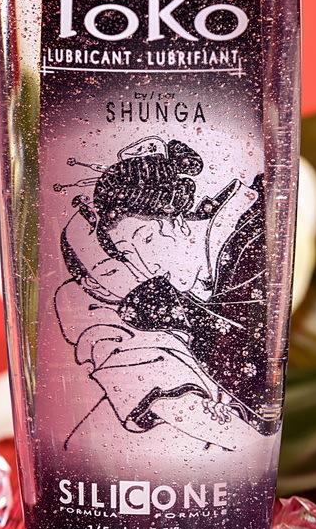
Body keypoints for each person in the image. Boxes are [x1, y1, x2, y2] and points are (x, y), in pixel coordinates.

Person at [53, 136, 267, 448]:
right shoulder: (195, 279)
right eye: (124, 256)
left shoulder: (252, 240)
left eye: (146, 239)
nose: (143, 269)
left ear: (175, 222)